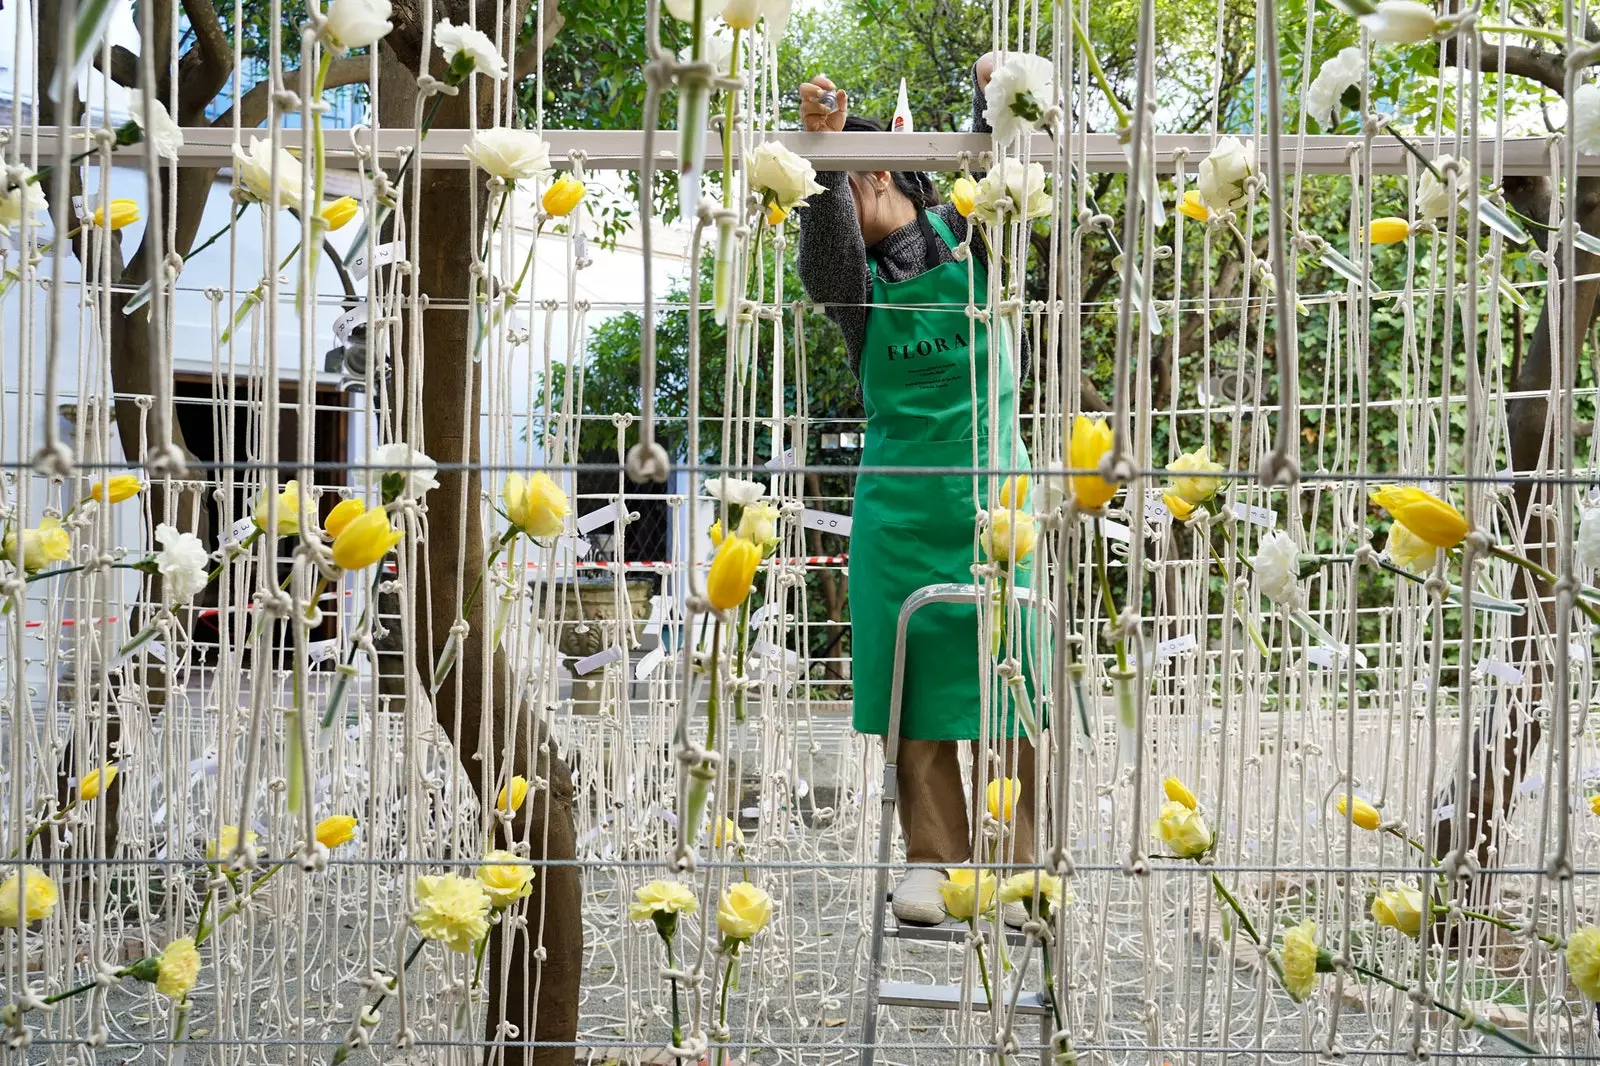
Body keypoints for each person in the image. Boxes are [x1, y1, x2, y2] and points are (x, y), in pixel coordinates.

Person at [795, 61, 1040, 928]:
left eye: (833, 191)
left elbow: (1012, 169)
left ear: (874, 174)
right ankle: (936, 863)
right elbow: (824, 259)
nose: (823, 219)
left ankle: (1019, 864)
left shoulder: (970, 230)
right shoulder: (856, 286)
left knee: (1012, 679)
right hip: (899, 506)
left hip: (995, 497)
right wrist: (818, 150)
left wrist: (992, 91)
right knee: (915, 683)